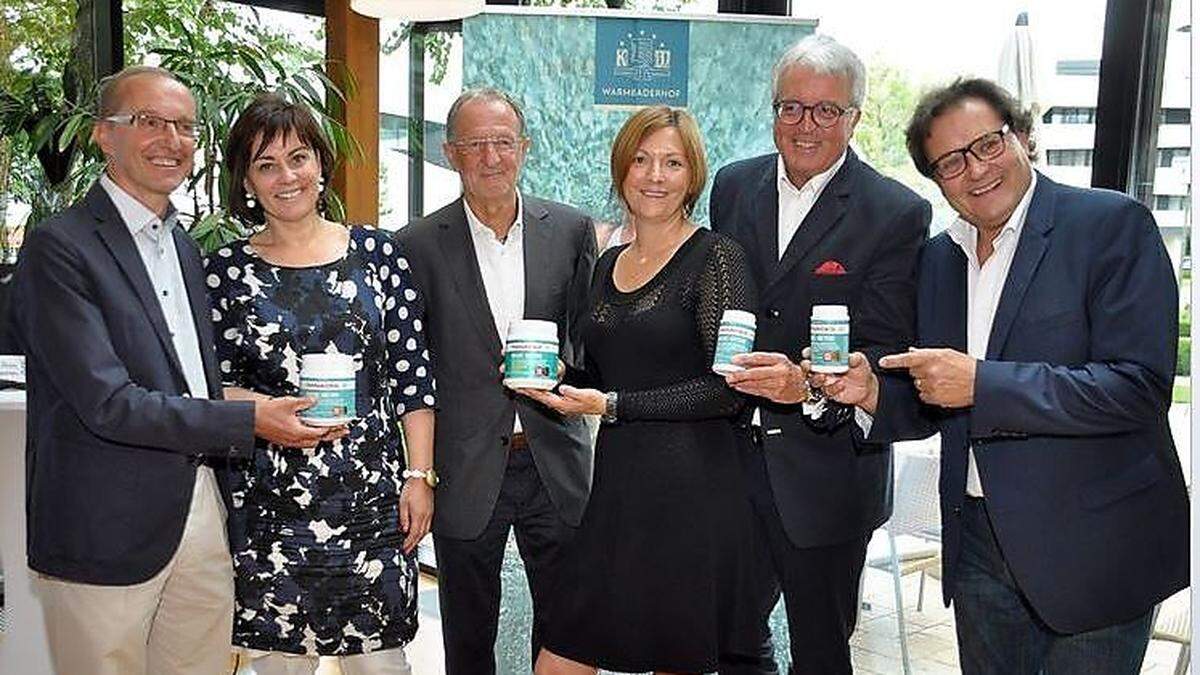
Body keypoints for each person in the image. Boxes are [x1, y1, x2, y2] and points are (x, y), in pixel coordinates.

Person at [818, 77, 1190, 674]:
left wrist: (983, 384)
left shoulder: (1110, 225)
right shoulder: (939, 260)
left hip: (1093, 547)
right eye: (950, 162)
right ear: (936, 180)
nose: (975, 170)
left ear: (1022, 137)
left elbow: (1137, 388)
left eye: (987, 145)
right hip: (979, 550)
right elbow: (937, 397)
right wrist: (872, 395)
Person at [10, 66, 333, 675]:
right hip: (105, 527)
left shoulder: (183, 246)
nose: (171, 139)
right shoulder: (60, 247)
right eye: (148, 122)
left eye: (184, 125)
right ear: (106, 136)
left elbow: (193, 381)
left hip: (201, 515)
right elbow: (107, 401)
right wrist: (250, 419)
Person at [708, 35, 931, 674]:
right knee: (730, 642)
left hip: (826, 472)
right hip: (729, 462)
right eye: (791, 107)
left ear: (855, 117)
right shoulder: (733, 185)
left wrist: (804, 384)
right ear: (772, 110)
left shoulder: (895, 212)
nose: (806, 125)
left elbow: (884, 350)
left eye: (826, 110)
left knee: (823, 654)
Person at [203, 93, 436, 675]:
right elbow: (202, 386)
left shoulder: (378, 255)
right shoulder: (222, 272)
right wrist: (256, 407)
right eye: (266, 165)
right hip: (269, 509)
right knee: (280, 667)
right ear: (247, 182)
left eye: (299, 157)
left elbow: (413, 378)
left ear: (321, 165)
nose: (287, 176)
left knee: (383, 666)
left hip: (372, 502)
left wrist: (420, 477)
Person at [528, 105, 758, 675]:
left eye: (672, 162)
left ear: (693, 176)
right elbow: (602, 374)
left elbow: (729, 391)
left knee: (674, 661)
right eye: (642, 160)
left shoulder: (717, 259)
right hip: (616, 493)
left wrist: (610, 405)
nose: (655, 175)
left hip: (694, 496)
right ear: (621, 171)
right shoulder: (607, 265)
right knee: (558, 662)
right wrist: (554, 376)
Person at [396, 87, 596, 675]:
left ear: (524, 148)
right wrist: (420, 472)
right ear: (451, 153)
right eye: (475, 144)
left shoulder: (569, 229)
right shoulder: (414, 246)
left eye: (503, 143)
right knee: (467, 631)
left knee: (568, 626)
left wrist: (567, 367)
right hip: (463, 467)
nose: (491, 158)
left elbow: (586, 342)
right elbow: (412, 371)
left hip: (554, 460)